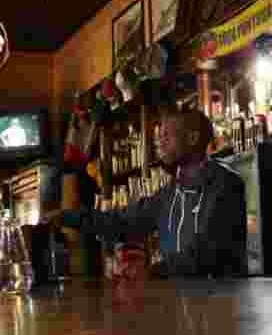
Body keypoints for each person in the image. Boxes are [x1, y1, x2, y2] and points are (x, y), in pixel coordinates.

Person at [44, 107, 247, 278]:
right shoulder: (170, 194)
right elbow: (121, 221)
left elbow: (209, 252)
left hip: (221, 309)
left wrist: (152, 270)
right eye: (158, 135)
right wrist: (66, 217)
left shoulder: (225, 185)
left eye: (166, 135)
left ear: (192, 138)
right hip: (181, 308)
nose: (158, 141)